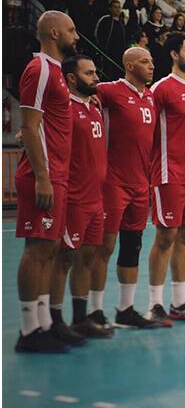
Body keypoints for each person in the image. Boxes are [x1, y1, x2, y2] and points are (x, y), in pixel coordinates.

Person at [14, 11, 80, 353]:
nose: (76, 36)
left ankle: (43, 325)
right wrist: (42, 177)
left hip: (58, 175)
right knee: (37, 250)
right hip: (44, 176)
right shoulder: (39, 69)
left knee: (50, 249)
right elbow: (29, 125)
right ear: (54, 33)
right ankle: (28, 331)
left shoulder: (56, 73)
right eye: (71, 30)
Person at [146, 33, 185, 323]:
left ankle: (179, 301)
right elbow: (144, 127)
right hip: (169, 173)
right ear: (174, 54)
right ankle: (155, 303)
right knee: (166, 236)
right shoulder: (161, 88)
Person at [94, 48, 159, 329]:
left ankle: (125, 308)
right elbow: (69, 94)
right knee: (104, 247)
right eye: (145, 62)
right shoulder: (109, 91)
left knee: (132, 246)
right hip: (113, 183)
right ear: (129, 66)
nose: (151, 66)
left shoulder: (151, 97)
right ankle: (94, 311)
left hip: (140, 184)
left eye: (152, 62)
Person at [50, 55, 113, 340]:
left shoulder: (94, 106)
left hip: (95, 197)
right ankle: (55, 320)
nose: (96, 77)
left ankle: (80, 318)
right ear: (72, 79)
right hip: (74, 197)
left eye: (95, 72)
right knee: (64, 258)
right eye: (89, 73)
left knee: (87, 258)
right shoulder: (64, 109)